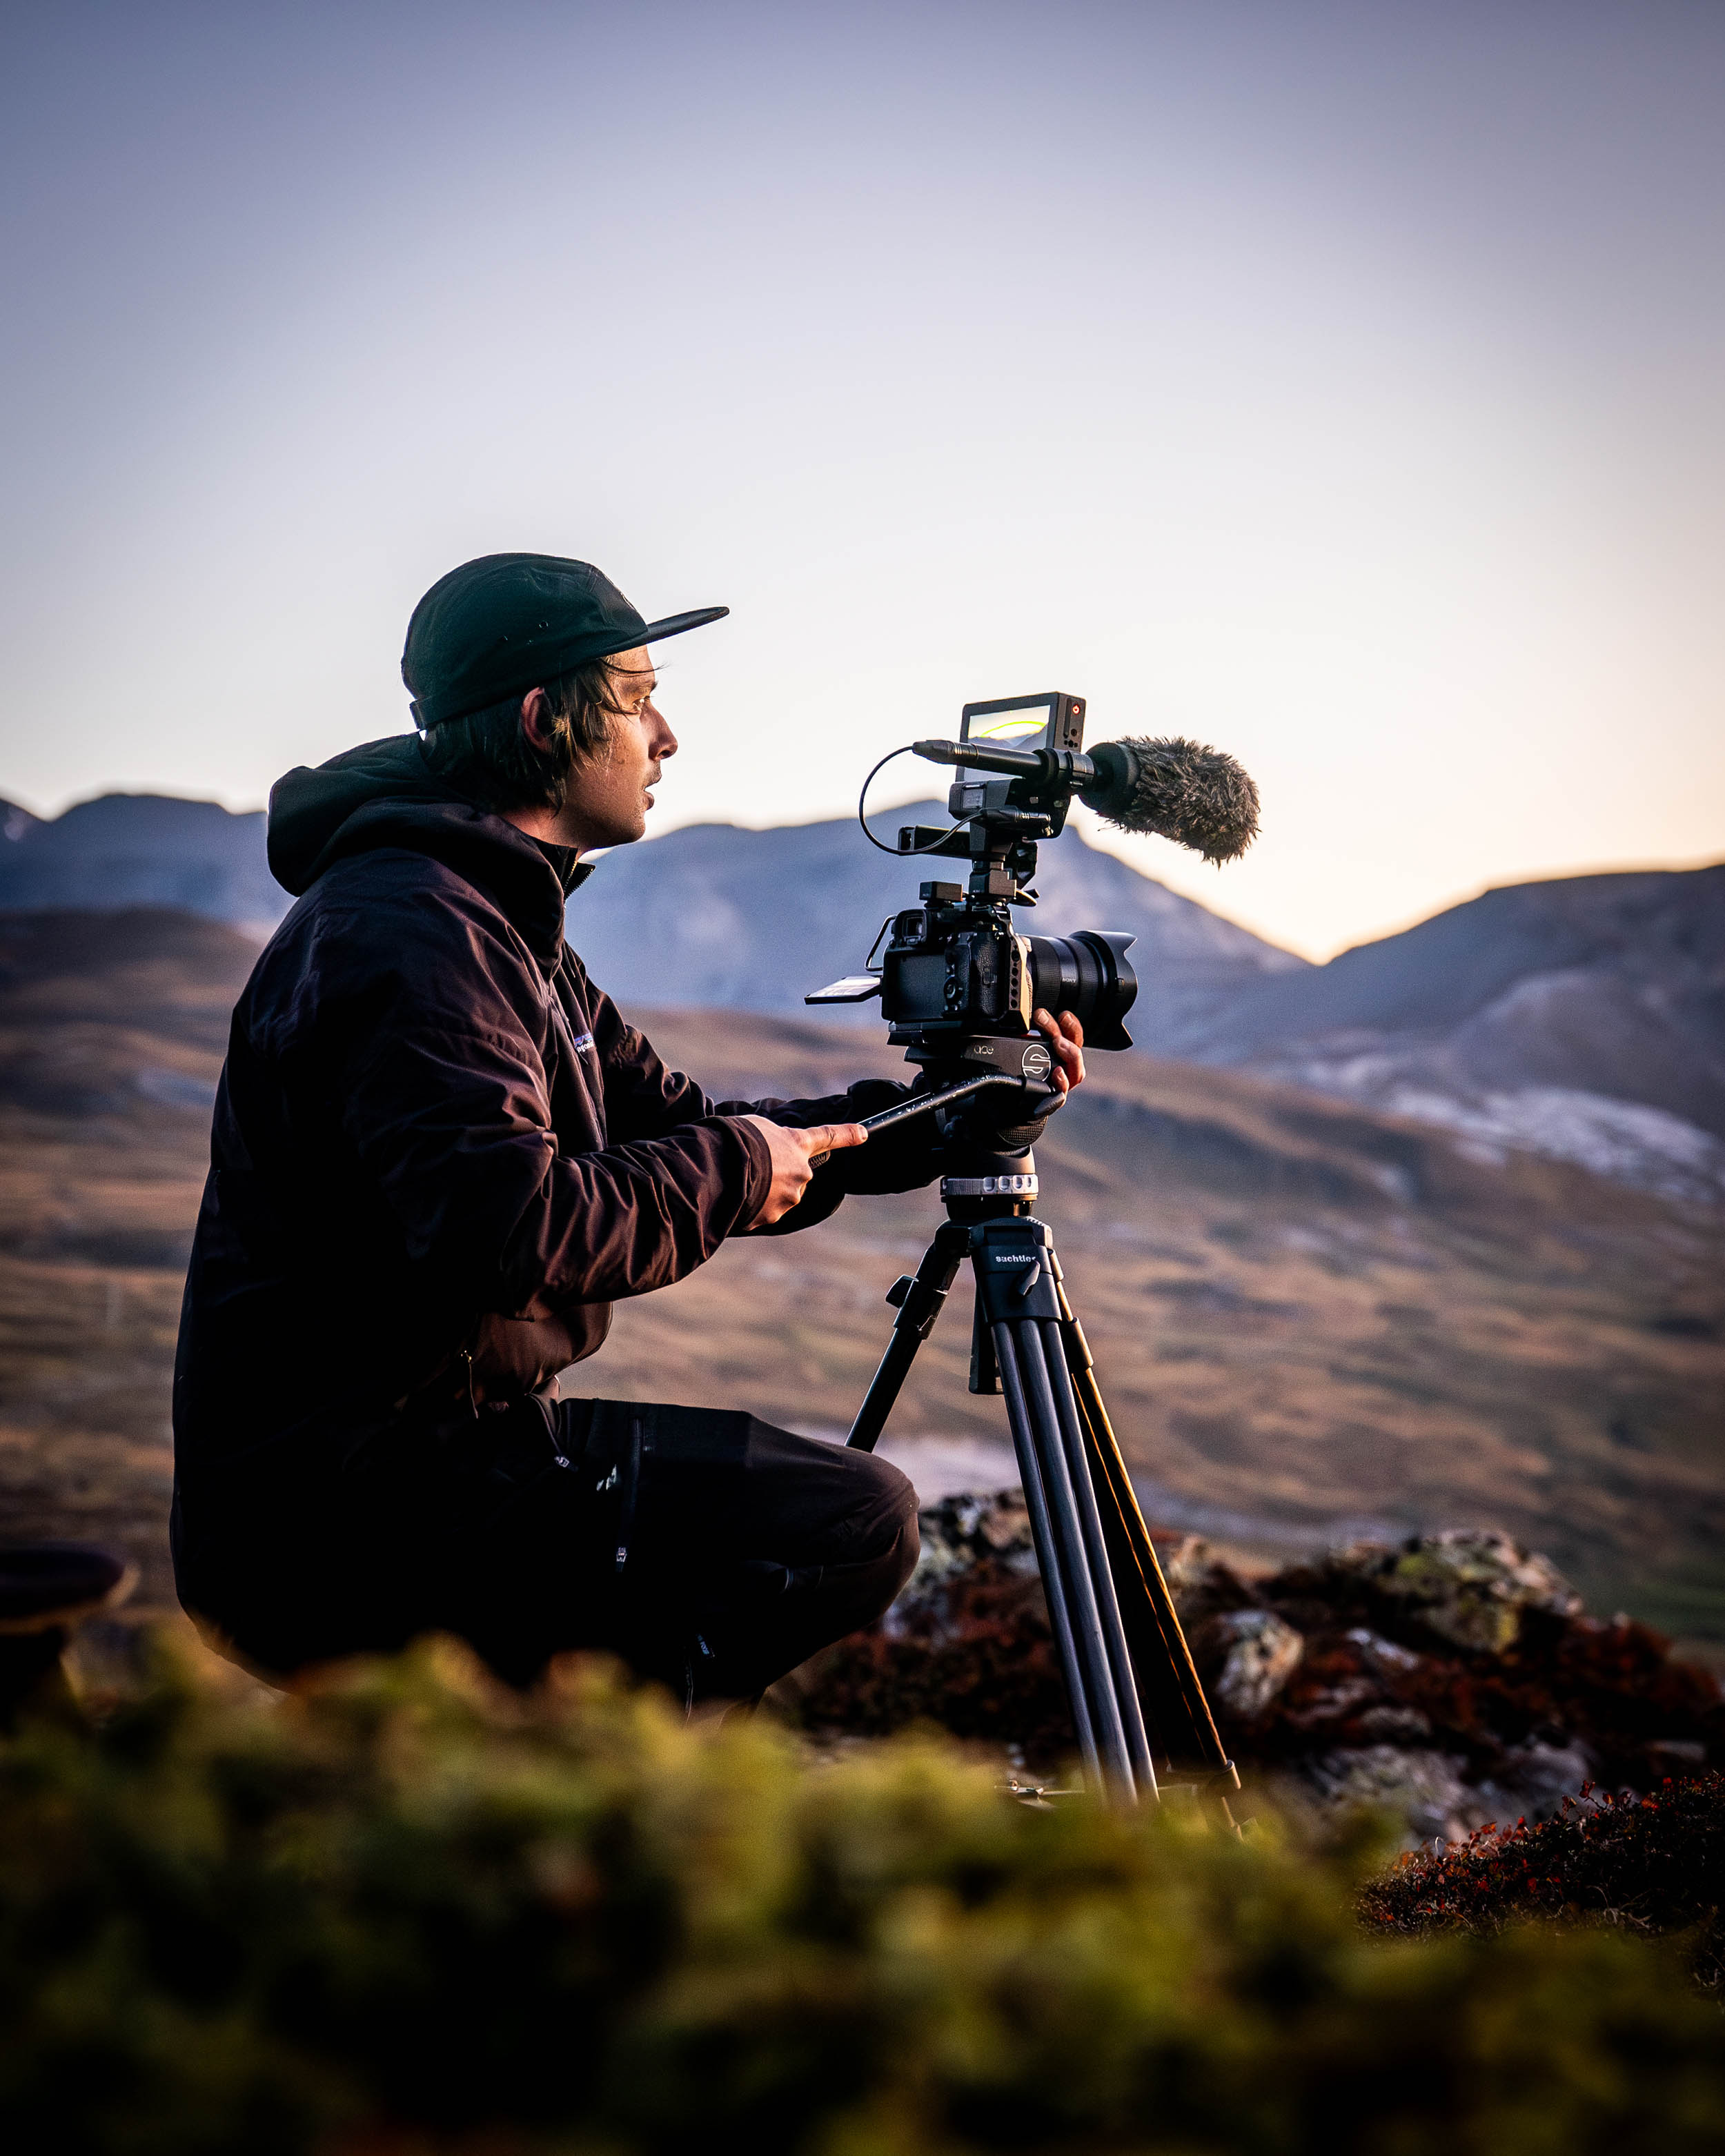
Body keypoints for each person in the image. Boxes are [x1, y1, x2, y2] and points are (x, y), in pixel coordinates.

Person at [170, 553, 1084, 1703]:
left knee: (824, 1511)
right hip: (354, 1510)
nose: (668, 734)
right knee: (850, 1518)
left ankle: (549, 1798)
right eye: (639, 694)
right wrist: (736, 1163)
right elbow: (518, 1227)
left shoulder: (496, 925)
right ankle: (598, 1824)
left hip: (422, 1461)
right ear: (546, 717)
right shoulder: (411, 934)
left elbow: (689, 1129)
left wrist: (950, 1118)